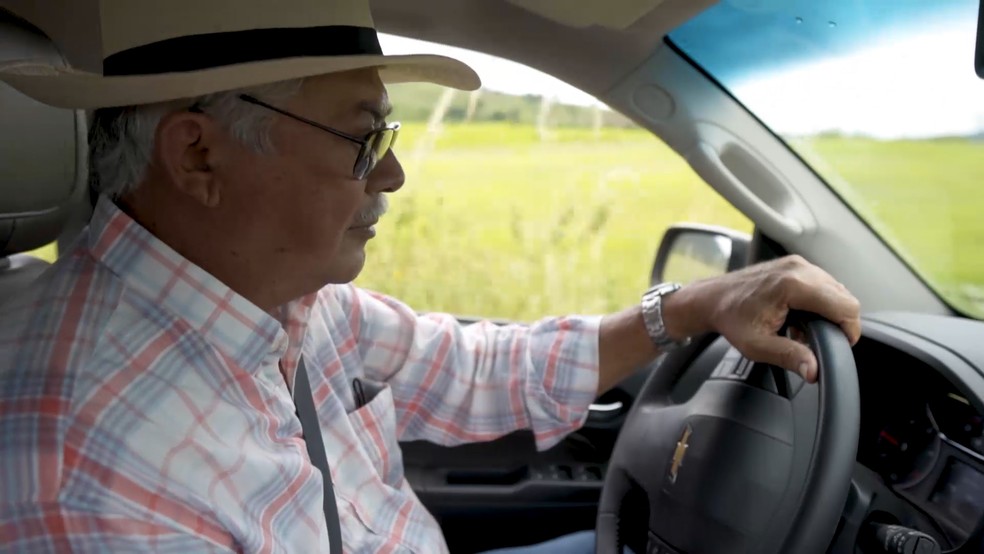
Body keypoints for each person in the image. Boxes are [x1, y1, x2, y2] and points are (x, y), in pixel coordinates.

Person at [0, 1, 861, 552]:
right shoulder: (89, 484)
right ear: (198, 154)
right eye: (362, 137)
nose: (393, 177)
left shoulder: (280, 300)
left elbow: (478, 369)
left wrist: (699, 303)